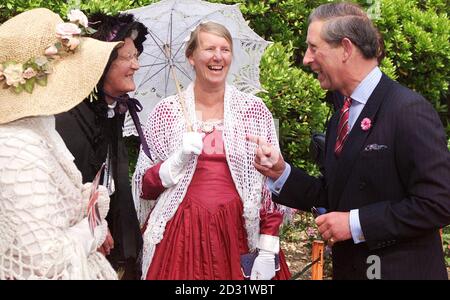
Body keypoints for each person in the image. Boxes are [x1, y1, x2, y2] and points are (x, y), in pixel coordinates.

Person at [248, 2, 450, 280]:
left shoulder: (407, 111)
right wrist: (281, 173)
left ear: (345, 48)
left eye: (313, 47)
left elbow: (439, 202)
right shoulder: (342, 113)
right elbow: (336, 195)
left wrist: (356, 223)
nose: (307, 59)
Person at [133, 21, 291, 280]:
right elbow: (145, 187)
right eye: (209, 49)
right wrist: (175, 161)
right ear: (191, 57)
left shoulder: (253, 111)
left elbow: (268, 186)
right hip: (180, 234)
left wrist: (268, 246)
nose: (218, 57)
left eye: (225, 49)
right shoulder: (167, 112)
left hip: (237, 232)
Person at [0, 8, 121, 279]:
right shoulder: (18, 147)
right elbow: (45, 261)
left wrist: (84, 201)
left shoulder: (36, 130)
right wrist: (93, 227)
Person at [55, 12, 148, 279]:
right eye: (128, 58)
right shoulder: (69, 117)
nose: (136, 66)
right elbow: (64, 191)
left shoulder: (112, 111)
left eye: (136, 57)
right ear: (102, 64)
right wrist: (92, 224)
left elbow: (111, 182)